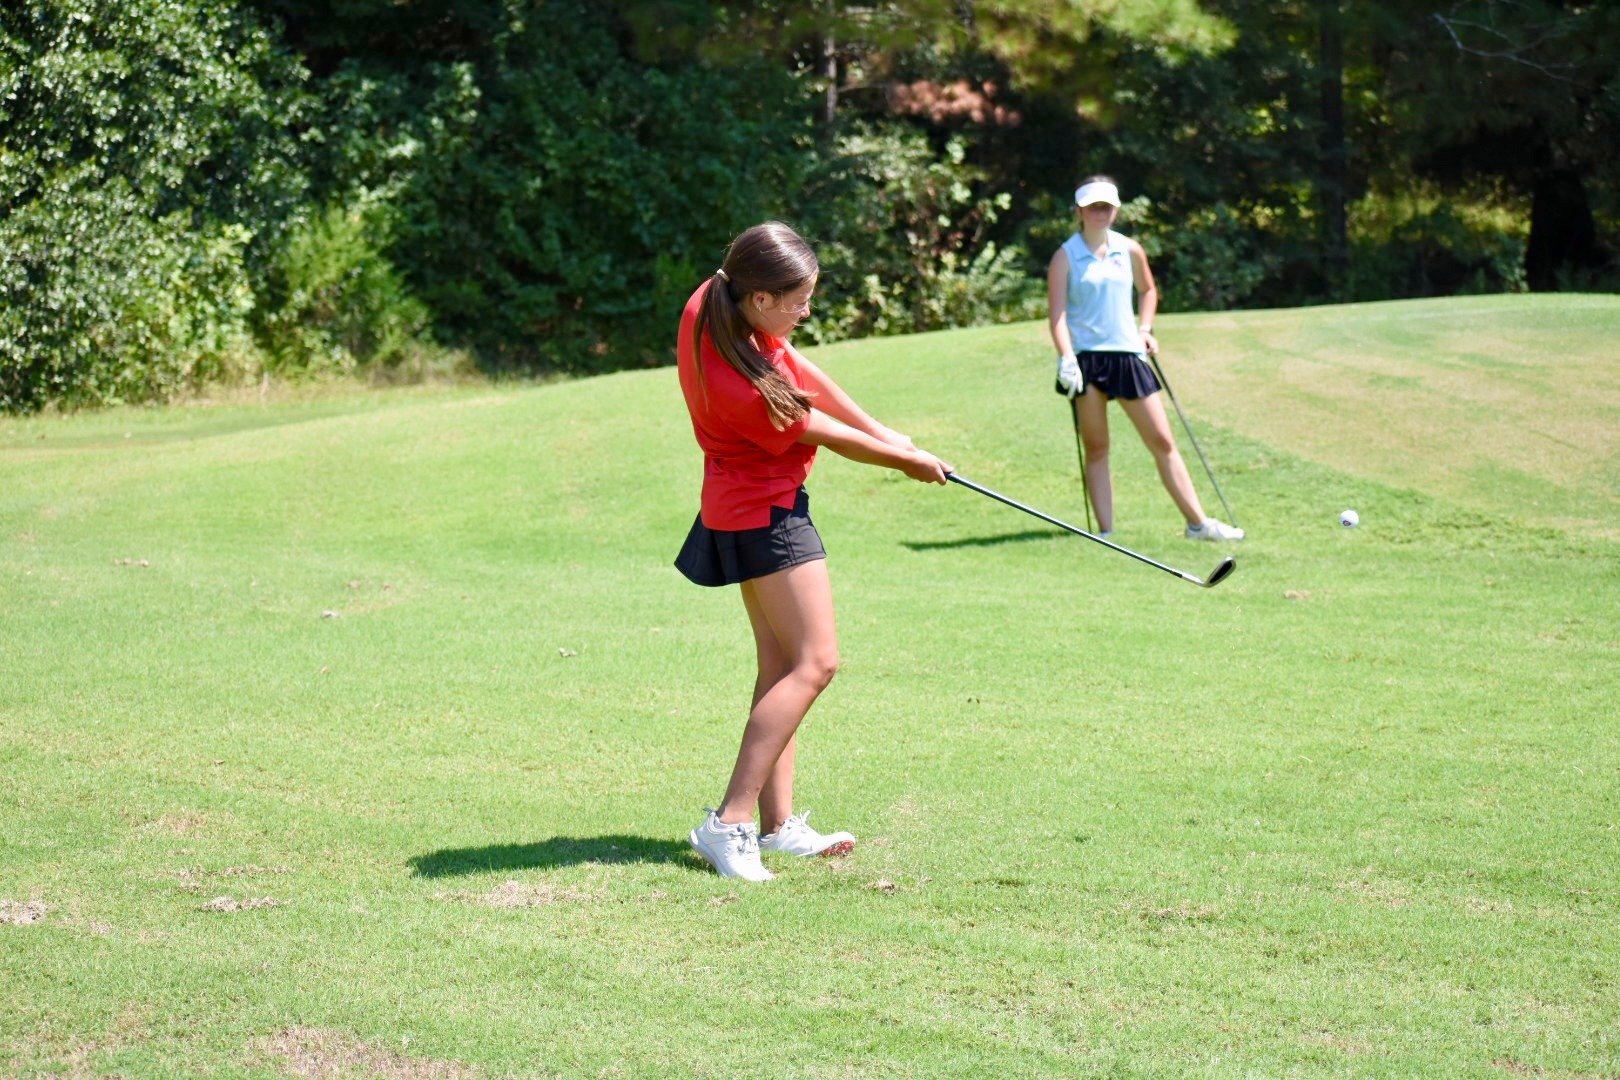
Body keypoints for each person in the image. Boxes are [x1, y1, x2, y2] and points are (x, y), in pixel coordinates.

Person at [674, 221, 953, 882]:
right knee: (817, 663)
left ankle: (776, 828)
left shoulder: (711, 303)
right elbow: (821, 429)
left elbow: (800, 369)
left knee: (782, 668)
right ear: (761, 299)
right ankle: (730, 822)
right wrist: (905, 461)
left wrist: (888, 430)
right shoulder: (748, 392)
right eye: (797, 300)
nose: (806, 310)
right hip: (767, 520)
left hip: (738, 511)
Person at [1048, 176, 1244, 543]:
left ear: (1116, 209)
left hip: (1128, 356)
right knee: (1097, 446)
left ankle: (1198, 525)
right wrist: (1066, 358)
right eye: (1093, 207)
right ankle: (1106, 532)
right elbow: (1056, 314)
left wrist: (1146, 328)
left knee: (1162, 441)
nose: (1100, 213)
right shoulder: (1065, 256)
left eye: (1106, 206)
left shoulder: (1130, 249)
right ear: (1079, 211)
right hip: (1087, 361)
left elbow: (1148, 289)